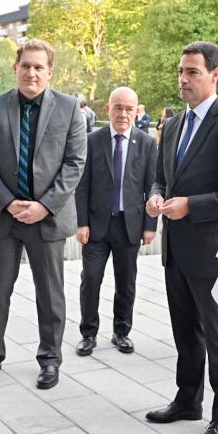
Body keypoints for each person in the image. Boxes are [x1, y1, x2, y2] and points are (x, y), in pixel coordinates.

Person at [144, 41, 218, 434]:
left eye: (192, 72)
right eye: (181, 71)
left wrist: (192, 205)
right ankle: (187, 400)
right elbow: (159, 179)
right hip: (175, 252)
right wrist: (155, 197)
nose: (183, 79)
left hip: (211, 252)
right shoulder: (171, 125)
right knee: (184, 333)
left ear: (215, 75)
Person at [0, 39, 87, 389]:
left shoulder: (69, 109)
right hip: (2, 217)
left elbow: (74, 163)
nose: (32, 72)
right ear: (15, 68)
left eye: (39, 67)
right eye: (26, 65)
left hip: (47, 218)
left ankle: (50, 359)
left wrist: (44, 206)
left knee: (50, 293)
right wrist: (7, 202)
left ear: (50, 71)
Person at [74, 86, 158, 356]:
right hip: (97, 226)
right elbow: (82, 186)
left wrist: (149, 225)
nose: (123, 113)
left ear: (136, 111)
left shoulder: (146, 143)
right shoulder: (91, 141)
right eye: (118, 107)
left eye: (129, 108)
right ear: (108, 109)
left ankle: (122, 332)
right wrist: (81, 223)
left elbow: (152, 186)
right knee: (91, 280)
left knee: (126, 282)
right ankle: (88, 334)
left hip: (129, 226)